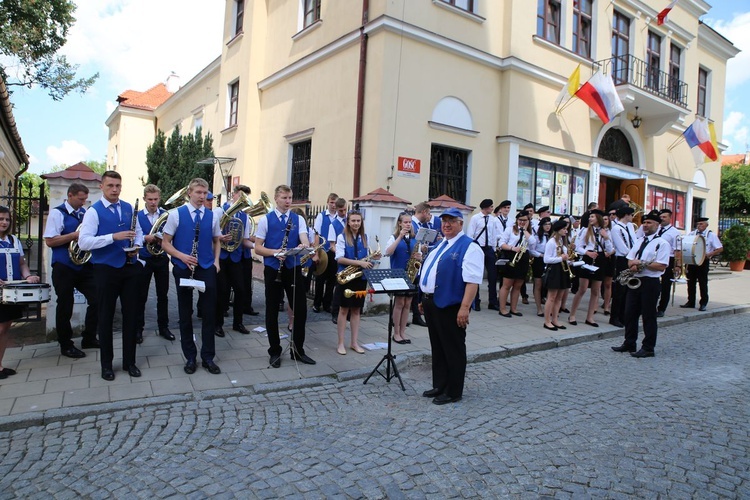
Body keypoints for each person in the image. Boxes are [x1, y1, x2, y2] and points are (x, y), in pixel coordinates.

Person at [78, 171, 143, 381]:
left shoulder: (127, 208)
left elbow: (139, 231)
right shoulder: (93, 212)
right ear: (102, 187)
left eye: (118, 185)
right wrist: (112, 237)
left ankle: (129, 362)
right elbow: (84, 242)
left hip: (129, 266)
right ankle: (107, 365)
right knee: (105, 317)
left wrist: (137, 247)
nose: (115, 189)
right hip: (105, 268)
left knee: (131, 315)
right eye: (110, 186)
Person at [418, 207, 483, 405]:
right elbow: (430, 271)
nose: (446, 224)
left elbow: (472, 281)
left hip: (451, 305)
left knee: (453, 348)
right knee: (437, 347)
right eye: (444, 220)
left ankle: (454, 390)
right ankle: (440, 384)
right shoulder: (440, 244)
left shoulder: (469, 246)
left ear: (460, 223)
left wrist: (465, 307)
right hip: (432, 302)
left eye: (451, 221)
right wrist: (423, 298)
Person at [160, 178, 222, 375]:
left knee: (209, 312)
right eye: (198, 193)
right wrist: (180, 256)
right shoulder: (175, 214)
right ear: (190, 193)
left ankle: (208, 357)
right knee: (185, 313)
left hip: (205, 266)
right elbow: (165, 243)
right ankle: (189, 357)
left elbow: (216, 240)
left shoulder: (212, 216)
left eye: (205, 193)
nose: (202, 197)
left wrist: (216, 262)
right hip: (183, 267)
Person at [254, 184, 314, 368]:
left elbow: (304, 239)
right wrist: (274, 252)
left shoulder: (298, 219)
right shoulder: (266, 220)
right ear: (276, 198)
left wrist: (304, 246)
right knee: (272, 310)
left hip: (292, 268)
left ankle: (298, 349)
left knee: (301, 309)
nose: (288, 201)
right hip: (273, 268)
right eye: (284, 198)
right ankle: (274, 350)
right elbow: (257, 247)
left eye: (290, 198)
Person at [43, 183, 99, 358]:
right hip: (63, 267)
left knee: (98, 298)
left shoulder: (83, 214)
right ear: (70, 195)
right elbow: (50, 241)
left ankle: (89, 337)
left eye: (85, 199)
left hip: (83, 265)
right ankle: (66, 345)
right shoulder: (57, 213)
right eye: (81, 199)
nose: (83, 202)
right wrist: (74, 236)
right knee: (65, 305)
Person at [611, 212, 670, 357]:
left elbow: (661, 265)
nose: (645, 225)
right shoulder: (639, 241)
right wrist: (634, 264)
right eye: (644, 222)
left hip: (650, 282)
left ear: (657, 225)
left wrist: (642, 264)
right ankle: (629, 342)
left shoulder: (662, 243)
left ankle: (648, 347)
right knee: (629, 313)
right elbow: (630, 259)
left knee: (648, 315)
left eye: (649, 223)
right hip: (636, 280)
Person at [0, 206, 41, 379]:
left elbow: (21, 264)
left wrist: (29, 276)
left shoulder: (14, 240)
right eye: (1, 219)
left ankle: (0, 366)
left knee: (6, 328)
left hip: (11, 292)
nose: (4, 222)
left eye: (7, 219)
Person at [334, 210, 377, 355]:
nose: (356, 223)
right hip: (346, 277)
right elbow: (339, 258)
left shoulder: (365, 237)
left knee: (357, 310)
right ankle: (340, 343)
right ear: (348, 222)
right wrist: (359, 263)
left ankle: (354, 342)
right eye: (353, 220)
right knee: (343, 310)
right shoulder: (341, 237)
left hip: (360, 277)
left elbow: (367, 258)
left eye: (358, 221)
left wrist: (373, 258)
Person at [136, 184, 174, 343]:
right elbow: (133, 236)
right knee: (140, 295)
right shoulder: (137, 216)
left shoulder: (165, 214)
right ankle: (138, 329)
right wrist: (146, 238)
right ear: (145, 199)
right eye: (150, 199)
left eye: (156, 199)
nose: (153, 202)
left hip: (161, 258)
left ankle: (163, 327)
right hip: (144, 258)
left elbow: (172, 234)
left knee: (163, 295)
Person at [215, 184, 251, 337]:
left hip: (236, 258)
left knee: (240, 290)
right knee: (222, 291)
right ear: (234, 195)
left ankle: (238, 323)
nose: (243, 199)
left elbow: (244, 240)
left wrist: (260, 246)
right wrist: (220, 238)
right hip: (221, 256)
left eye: (246, 197)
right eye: (241, 196)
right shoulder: (219, 211)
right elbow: (211, 234)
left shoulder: (245, 216)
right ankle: (218, 324)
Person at [568, 210, 612, 327]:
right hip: (588, 258)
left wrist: (606, 238)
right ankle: (572, 315)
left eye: (592, 216)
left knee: (595, 290)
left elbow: (609, 248)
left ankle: (590, 317)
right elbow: (578, 247)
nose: (590, 218)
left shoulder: (605, 231)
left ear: (598, 218)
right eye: (590, 216)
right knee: (582, 288)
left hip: (600, 258)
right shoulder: (585, 230)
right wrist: (587, 253)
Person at [385, 211, 422, 345]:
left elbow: (418, 255)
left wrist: (419, 256)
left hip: (412, 274)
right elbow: (388, 252)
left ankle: (403, 332)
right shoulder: (394, 237)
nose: (408, 224)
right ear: (399, 223)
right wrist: (399, 237)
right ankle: (396, 333)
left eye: (409, 222)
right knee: (399, 303)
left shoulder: (414, 238)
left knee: (407, 304)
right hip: (398, 273)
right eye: (405, 222)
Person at [681, 217, 723, 311]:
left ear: (706, 225)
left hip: (703, 261)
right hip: (692, 261)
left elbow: (720, 248)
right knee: (690, 282)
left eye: (701, 224)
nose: (699, 226)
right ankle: (690, 302)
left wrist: (710, 254)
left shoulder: (711, 235)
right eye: (698, 224)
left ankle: (703, 303)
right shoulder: (692, 234)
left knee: (702, 282)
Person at [498, 211, 534, 317]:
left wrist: (525, 230)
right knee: (507, 285)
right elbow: (501, 244)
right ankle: (503, 308)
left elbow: (532, 242)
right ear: (517, 220)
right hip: (511, 255)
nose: (522, 222)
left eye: (525, 220)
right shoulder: (510, 229)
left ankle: (514, 308)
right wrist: (512, 248)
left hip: (523, 258)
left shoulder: (529, 232)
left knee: (518, 285)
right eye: (520, 220)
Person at [410, 201, 440, 326]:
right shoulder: (412, 224)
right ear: (423, 212)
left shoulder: (419, 225)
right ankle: (411, 317)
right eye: (428, 213)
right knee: (407, 293)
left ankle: (415, 316)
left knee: (414, 291)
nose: (429, 216)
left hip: (418, 260)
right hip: (411, 262)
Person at [467, 199, 500, 311]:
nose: (492, 208)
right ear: (486, 207)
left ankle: (493, 301)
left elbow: (493, 235)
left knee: (492, 276)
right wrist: (471, 248)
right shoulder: (475, 218)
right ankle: (476, 301)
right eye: (491, 207)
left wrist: (494, 248)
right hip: (478, 248)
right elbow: (471, 234)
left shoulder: (493, 219)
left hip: (489, 249)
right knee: (477, 275)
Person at [609, 206, 636, 328]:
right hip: (622, 260)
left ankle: (623, 316)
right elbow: (622, 248)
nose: (632, 217)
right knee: (619, 290)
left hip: (631, 259)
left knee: (627, 290)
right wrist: (632, 256)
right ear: (626, 215)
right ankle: (614, 317)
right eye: (631, 215)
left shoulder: (629, 227)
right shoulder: (616, 229)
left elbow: (634, 242)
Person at [312, 193, 340, 314]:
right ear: (327, 202)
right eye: (331, 202)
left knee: (331, 280)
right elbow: (316, 234)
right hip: (323, 251)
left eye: (335, 203)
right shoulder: (321, 216)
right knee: (320, 278)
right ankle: (316, 303)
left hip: (334, 252)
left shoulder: (340, 217)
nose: (333, 205)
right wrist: (316, 253)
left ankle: (327, 304)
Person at [542, 219, 571, 330]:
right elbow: (546, 259)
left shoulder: (561, 242)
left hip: (562, 269)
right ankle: (547, 321)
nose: (566, 231)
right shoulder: (551, 242)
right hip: (554, 270)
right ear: (558, 230)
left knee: (559, 297)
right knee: (552, 297)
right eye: (564, 229)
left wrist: (568, 260)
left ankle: (555, 319)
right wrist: (560, 258)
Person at [655, 208, 680, 317]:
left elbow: (678, 249)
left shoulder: (675, 232)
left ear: (670, 218)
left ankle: (661, 308)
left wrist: (678, 265)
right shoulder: (656, 229)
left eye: (664, 217)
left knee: (665, 285)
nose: (662, 219)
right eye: (661, 217)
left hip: (668, 259)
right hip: (655, 258)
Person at [328, 198, 348, 324]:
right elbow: (332, 245)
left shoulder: (349, 221)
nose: (344, 212)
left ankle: (349, 312)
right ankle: (335, 312)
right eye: (341, 211)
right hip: (338, 258)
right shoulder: (333, 224)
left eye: (345, 209)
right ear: (336, 209)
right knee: (338, 286)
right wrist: (341, 254)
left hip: (350, 258)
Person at [529, 217, 552, 317]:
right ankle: (539, 308)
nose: (548, 226)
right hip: (539, 260)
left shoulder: (552, 237)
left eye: (549, 224)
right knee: (538, 284)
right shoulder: (537, 237)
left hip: (550, 260)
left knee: (549, 285)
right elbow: (531, 250)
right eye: (545, 224)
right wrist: (540, 255)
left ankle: (549, 307)